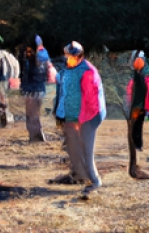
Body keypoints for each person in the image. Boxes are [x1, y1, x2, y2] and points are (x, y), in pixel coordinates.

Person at [53, 41, 106, 197]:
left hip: (89, 117)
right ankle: (80, 175)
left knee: (86, 149)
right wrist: (61, 113)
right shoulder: (67, 71)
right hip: (72, 116)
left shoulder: (88, 72)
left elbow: (91, 101)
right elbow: (63, 93)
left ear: (79, 56)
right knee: (74, 145)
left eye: (71, 56)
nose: (67, 59)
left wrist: (83, 120)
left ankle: (95, 181)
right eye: (67, 56)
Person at [20, 35, 50, 142]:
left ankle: (35, 137)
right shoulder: (44, 56)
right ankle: (37, 136)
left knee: (31, 115)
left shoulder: (30, 59)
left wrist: (23, 88)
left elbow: (26, 75)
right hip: (41, 89)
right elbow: (47, 74)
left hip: (31, 90)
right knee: (35, 115)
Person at [125, 52, 148, 178]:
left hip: (138, 105)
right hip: (138, 105)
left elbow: (139, 92)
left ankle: (138, 144)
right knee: (137, 126)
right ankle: (138, 144)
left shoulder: (139, 76)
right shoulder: (137, 76)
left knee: (137, 126)